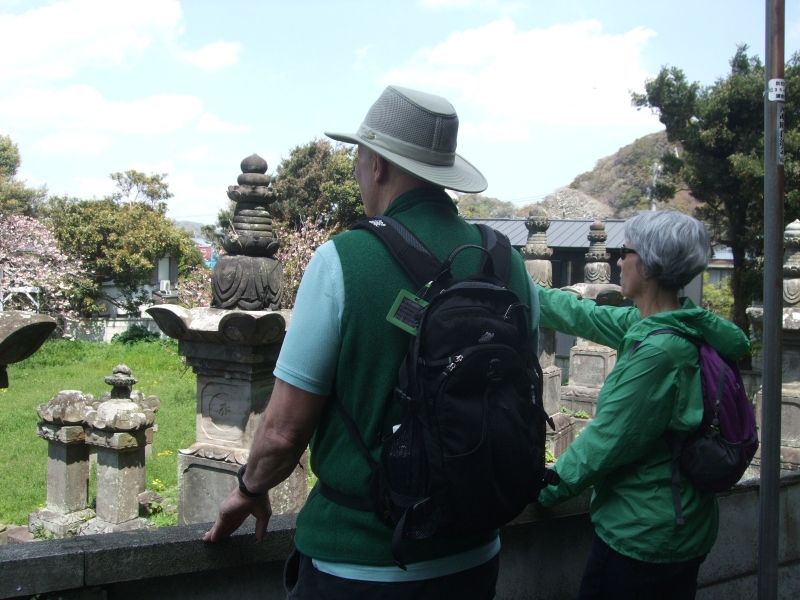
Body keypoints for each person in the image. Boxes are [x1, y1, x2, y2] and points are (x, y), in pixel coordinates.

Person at [203, 85, 540, 599]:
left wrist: (249, 490)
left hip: (360, 563)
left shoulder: (345, 260)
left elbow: (283, 432)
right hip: (475, 554)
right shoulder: (506, 262)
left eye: (359, 156)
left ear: (378, 164)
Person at [536, 210, 750, 599]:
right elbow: (585, 314)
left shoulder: (658, 352)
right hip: (676, 520)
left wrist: (542, 489)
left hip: (647, 537)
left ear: (648, 265)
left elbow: (604, 441)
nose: (619, 260)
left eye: (626, 251)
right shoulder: (669, 322)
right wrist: (522, 288)